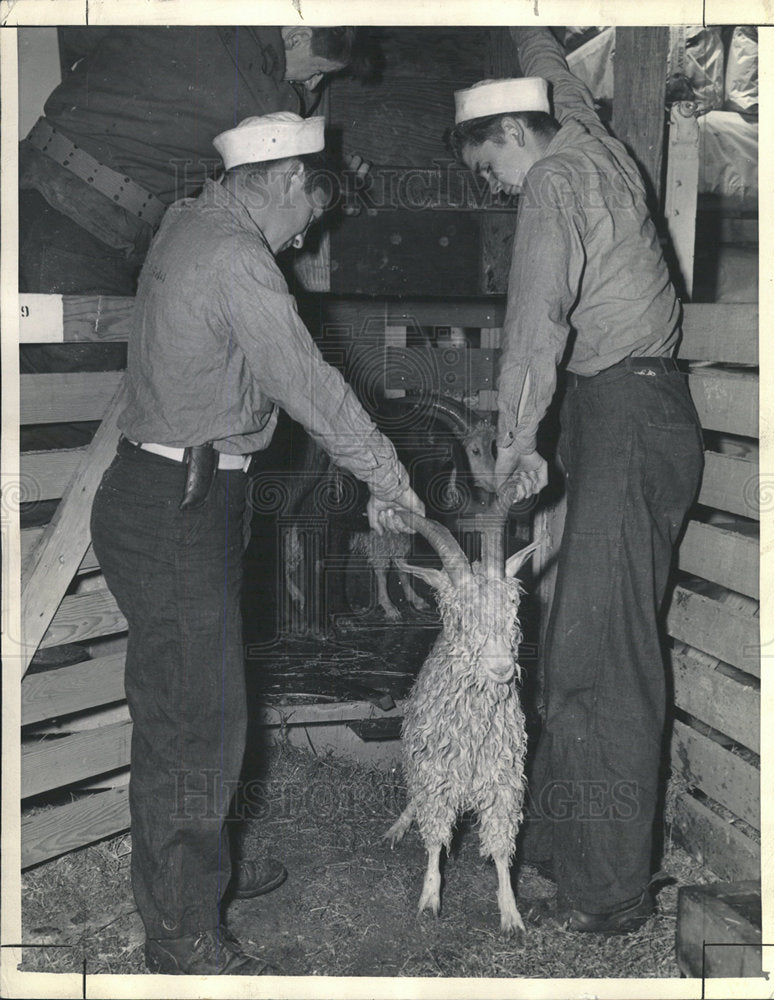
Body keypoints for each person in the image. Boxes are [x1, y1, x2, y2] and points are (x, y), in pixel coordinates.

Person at [89, 111, 424, 975]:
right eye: (309, 207)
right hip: (179, 505)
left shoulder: (186, 221)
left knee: (188, 713)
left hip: (175, 494)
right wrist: (389, 476)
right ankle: (183, 935)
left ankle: (196, 886)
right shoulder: (237, 256)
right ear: (278, 180)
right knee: (200, 727)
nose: (307, 230)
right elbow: (306, 380)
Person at [447, 28, 704, 934]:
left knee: (603, 663)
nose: (495, 188)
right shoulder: (593, 141)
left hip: (623, 417)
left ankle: (611, 894)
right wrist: (525, 24)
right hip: (635, 414)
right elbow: (556, 75)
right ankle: (561, 849)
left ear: (518, 139)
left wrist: (514, 447)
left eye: (489, 169)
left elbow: (534, 323)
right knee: (581, 644)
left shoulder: (555, 180)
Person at [19, 25, 376, 296]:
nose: (312, 85)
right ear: (296, 37)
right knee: (86, 382)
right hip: (86, 224)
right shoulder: (272, 99)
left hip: (30, 174)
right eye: (317, 71)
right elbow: (294, 133)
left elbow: (74, 33)